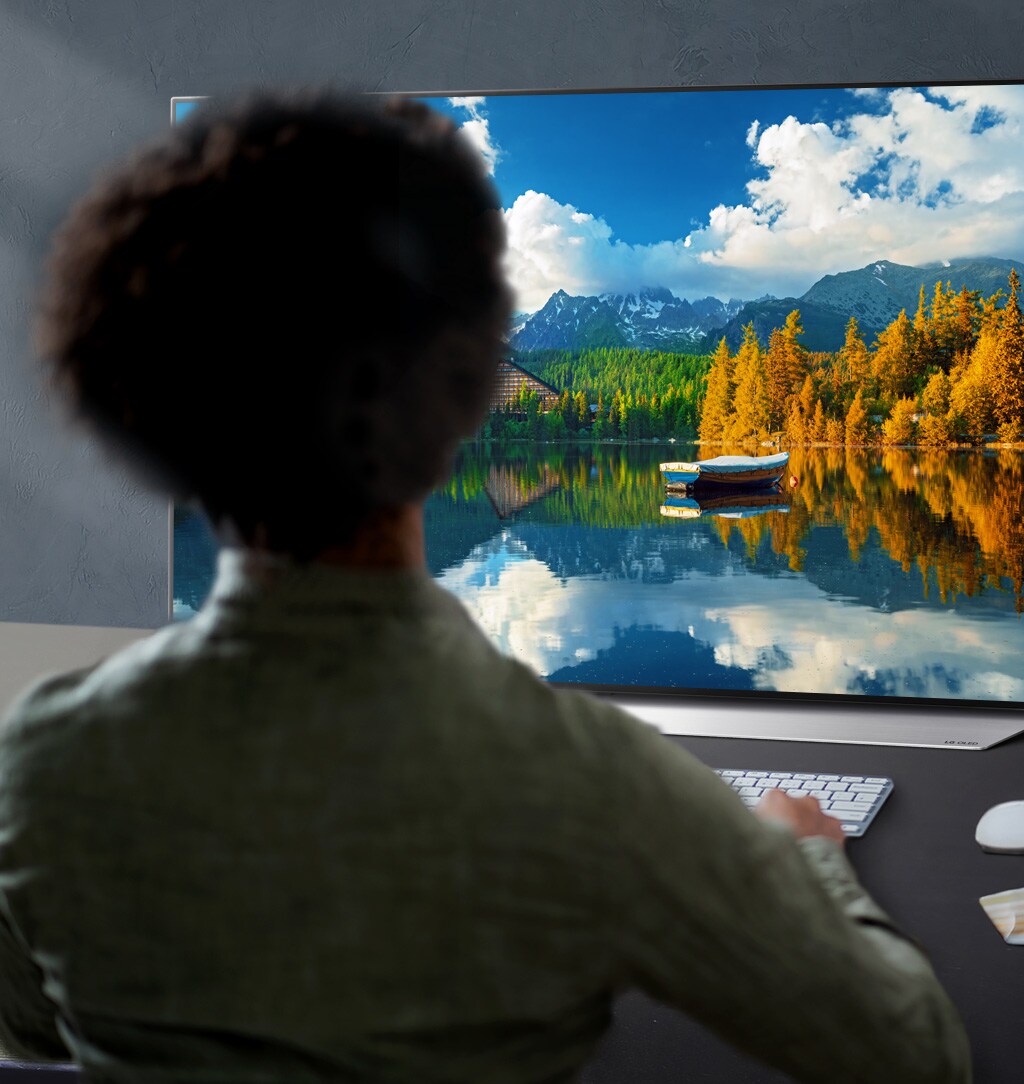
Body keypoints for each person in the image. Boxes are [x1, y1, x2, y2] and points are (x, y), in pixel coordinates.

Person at [0, 89, 970, 1083]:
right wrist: (804, 858)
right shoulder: (583, 780)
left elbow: (34, 1029)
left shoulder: (40, 763)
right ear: (462, 396)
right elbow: (913, 1056)